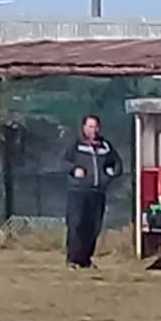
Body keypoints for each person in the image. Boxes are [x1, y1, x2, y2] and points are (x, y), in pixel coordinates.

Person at [61, 114, 122, 269]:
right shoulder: (75, 144)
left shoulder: (105, 146)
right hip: (78, 192)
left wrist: (109, 175)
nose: (93, 130)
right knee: (77, 224)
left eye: (95, 127)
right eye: (90, 127)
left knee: (93, 226)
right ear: (84, 127)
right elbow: (63, 162)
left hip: (98, 193)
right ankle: (73, 259)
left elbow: (117, 163)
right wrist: (74, 170)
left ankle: (86, 259)